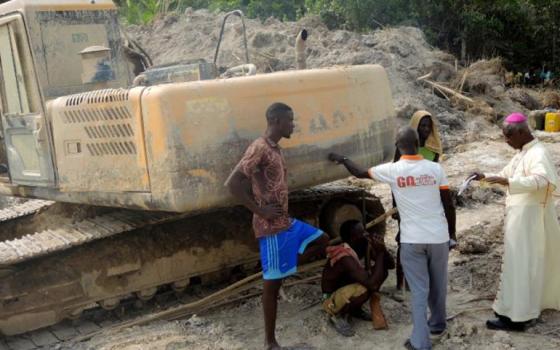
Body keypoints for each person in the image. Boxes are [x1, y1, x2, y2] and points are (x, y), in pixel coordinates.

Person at [329, 126, 456, 350]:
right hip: (438, 237)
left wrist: (342, 158)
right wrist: (452, 235)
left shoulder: (393, 170)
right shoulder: (436, 169)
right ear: (418, 144)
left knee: (419, 290)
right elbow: (448, 204)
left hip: (412, 241)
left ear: (398, 146)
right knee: (438, 284)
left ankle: (420, 341)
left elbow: (359, 173)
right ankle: (437, 323)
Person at [226, 102, 329, 350]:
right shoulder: (259, 147)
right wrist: (261, 211)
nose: (293, 124)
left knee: (323, 239)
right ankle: (270, 343)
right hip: (270, 227)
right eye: (289, 120)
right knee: (272, 285)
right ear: (275, 121)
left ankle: (289, 264)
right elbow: (232, 184)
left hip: (286, 223)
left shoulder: (275, 148)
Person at [470, 112, 560, 331]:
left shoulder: (538, 153)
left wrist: (508, 181)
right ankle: (514, 311)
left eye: (508, 136)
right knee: (519, 267)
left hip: (529, 222)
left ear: (521, 132)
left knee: (521, 267)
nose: (506, 141)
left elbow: (543, 180)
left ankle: (518, 318)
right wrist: (483, 176)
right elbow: (505, 174)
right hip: (520, 221)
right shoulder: (523, 152)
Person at [393, 111, 454, 292]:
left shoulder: (432, 149)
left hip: (425, 203)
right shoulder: (404, 146)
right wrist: (396, 205)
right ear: (415, 126)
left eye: (428, 126)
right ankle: (400, 282)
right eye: (422, 126)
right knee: (403, 241)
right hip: (406, 201)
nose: (425, 130)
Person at [321, 220, 392, 336]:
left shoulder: (361, 246)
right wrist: (379, 254)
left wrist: (382, 250)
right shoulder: (345, 256)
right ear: (354, 238)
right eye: (362, 233)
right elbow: (372, 284)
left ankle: (354, 309)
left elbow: (390, 266)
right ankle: (338, 315)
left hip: (346, 290)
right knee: (364, 289)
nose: (366, 234)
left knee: (382, 272)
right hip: (331, 300)